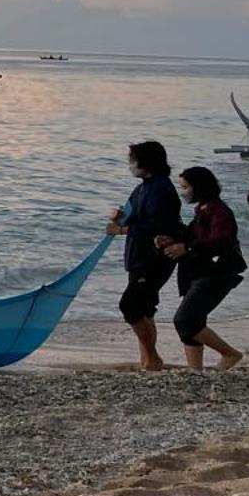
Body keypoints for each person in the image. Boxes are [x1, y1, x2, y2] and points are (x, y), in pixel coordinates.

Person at [155, 166, 246, 371]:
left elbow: (219, 240)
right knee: (193, 322)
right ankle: (195, 370)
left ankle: (230, 354)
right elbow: (193, 238)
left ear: (199, 187)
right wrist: (172, 241)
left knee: (185, 320)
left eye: (185, 187)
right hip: (197, 273)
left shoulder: (219, 211)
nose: (183, 192)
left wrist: (185, 247)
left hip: (215, 274)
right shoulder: (202, 210)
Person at [105, 140, 184, 371]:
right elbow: (132, 215)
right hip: (138, 257)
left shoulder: (161, 188)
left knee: (130, 305)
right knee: (145, 308)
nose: (130, 164)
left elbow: (157, 225)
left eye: (133, 160)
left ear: (146, 162)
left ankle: (153, 358)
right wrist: (120, 217)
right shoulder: (142, 187)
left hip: (154, 258)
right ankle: (147, 361)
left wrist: (120, 230)